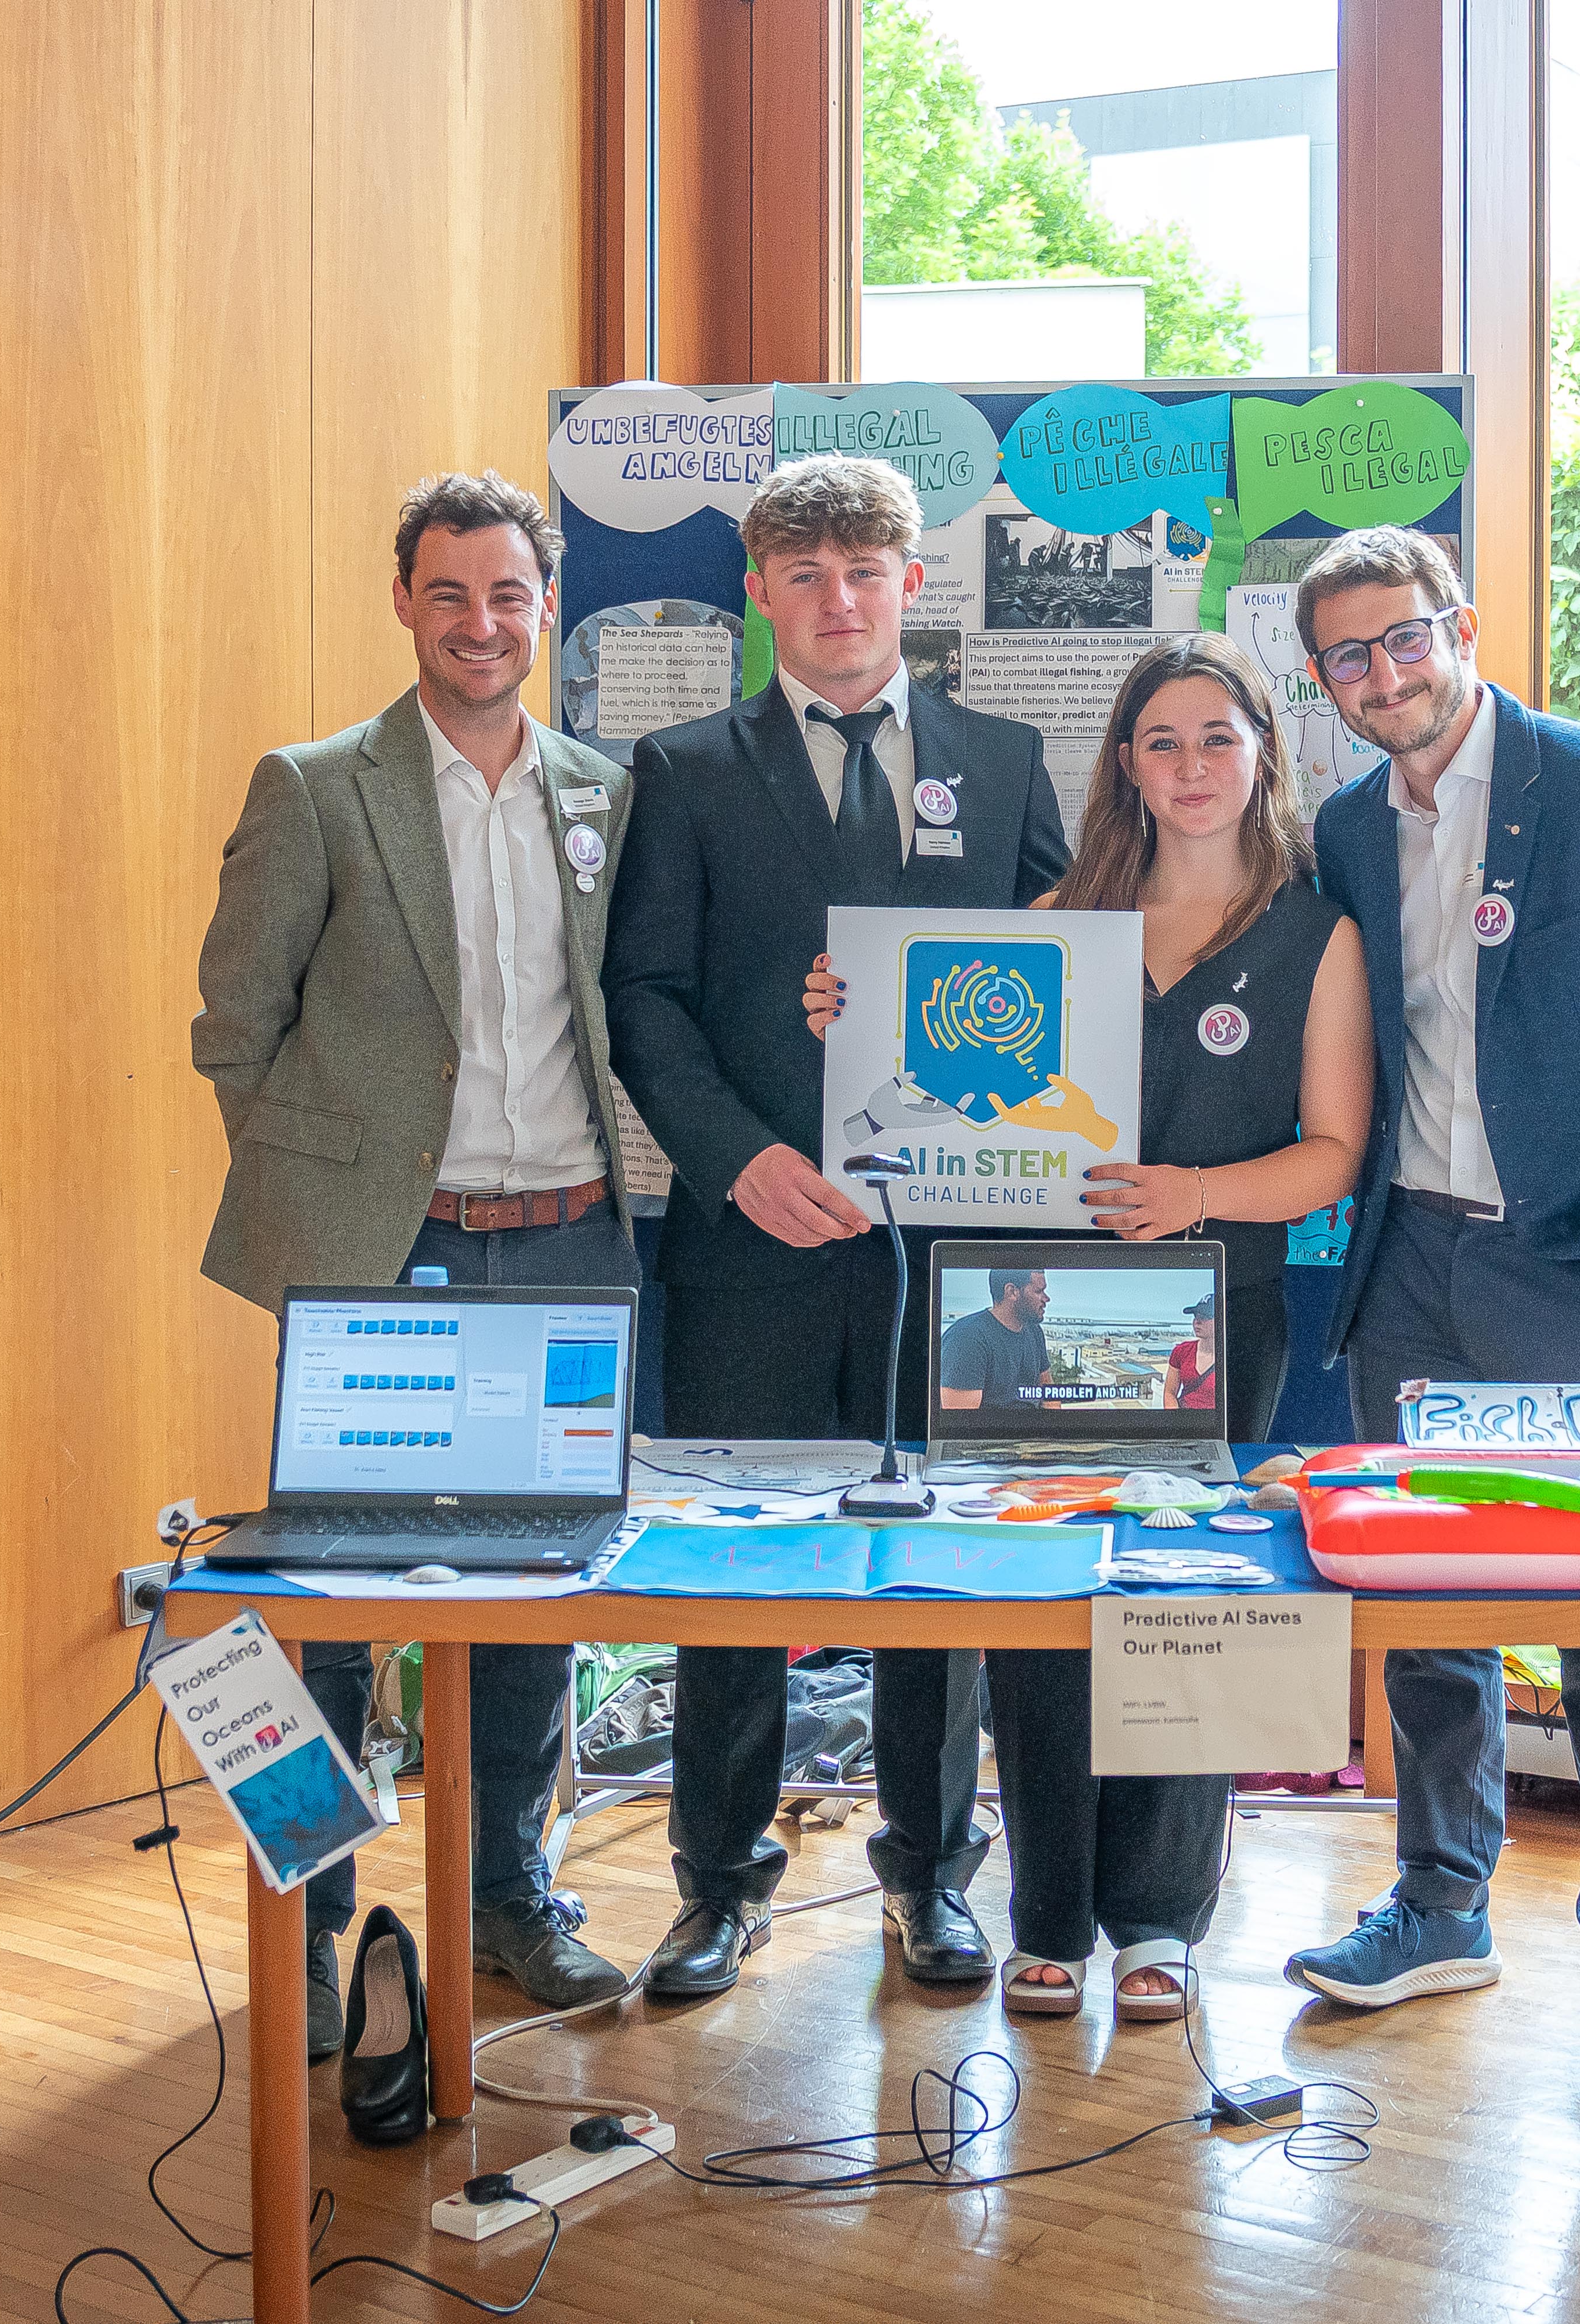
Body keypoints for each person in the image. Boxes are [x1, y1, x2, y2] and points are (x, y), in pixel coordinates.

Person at [807, 630, 1370, 2022]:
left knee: (1185, 1601)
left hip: (1213, 1315)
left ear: (1263, 756)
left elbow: (1332, 1154)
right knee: (1045, 1608)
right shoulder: (1060, 916)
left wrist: (1196, 1195)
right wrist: (851, 1015)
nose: (1191, 765)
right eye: (1161, 741)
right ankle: (1048, 1912)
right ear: (1125, 763)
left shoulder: (1317, 932)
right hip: (1043, 1310)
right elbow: (942, 1075)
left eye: (1218, 737)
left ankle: (1161, 1917)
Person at [1276, 526, 1580, 2079]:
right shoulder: (1346, 830)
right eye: (1346, 658)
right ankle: (1438, 1905)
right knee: (1430, 1615)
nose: (1381, 676)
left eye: (1401, 638)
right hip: (1408, 1270)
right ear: (1322, 681)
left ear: (1460, 626)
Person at [604, 454, 1069, 1999]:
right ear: (761, 593)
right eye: (803, 574)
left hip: (951, 1246)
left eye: (864, 571)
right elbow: (645, 999)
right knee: (733, 1572)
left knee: (936, 1564)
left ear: (910, 585)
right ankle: (718, 1880)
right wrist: (738, 1160)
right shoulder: (682, 767)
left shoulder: (1002, 760)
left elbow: (1063, 977)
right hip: (751, 1238)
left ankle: (931, 1872)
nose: (838, 599)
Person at [193, 471, 639, 2059]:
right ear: (403, 601)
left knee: (534, 1604)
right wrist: (337, 1202)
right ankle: (306, 1929)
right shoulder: (317, 788)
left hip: (566, 1248)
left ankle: (509, 1898)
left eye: (508, 594)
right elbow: (234, 1026)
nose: (479, 624)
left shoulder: (605, 793)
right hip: (386, 1262)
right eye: (448, 593)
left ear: (545, 606)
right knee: (320, 1607)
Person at [940, 1267, 1051, 1409]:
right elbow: (960, 1419)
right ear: (1012, 1292)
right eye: (1038, 1291)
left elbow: (1048, 1391)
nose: (1046, 1299)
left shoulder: (1034, 1331)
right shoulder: (967, 1339)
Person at [1164, 1293, 1218, 1409]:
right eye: (1196, 1316)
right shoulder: (1181, 1352)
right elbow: (1170, 1393)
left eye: (1205, 1317)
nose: (1197, 1322)